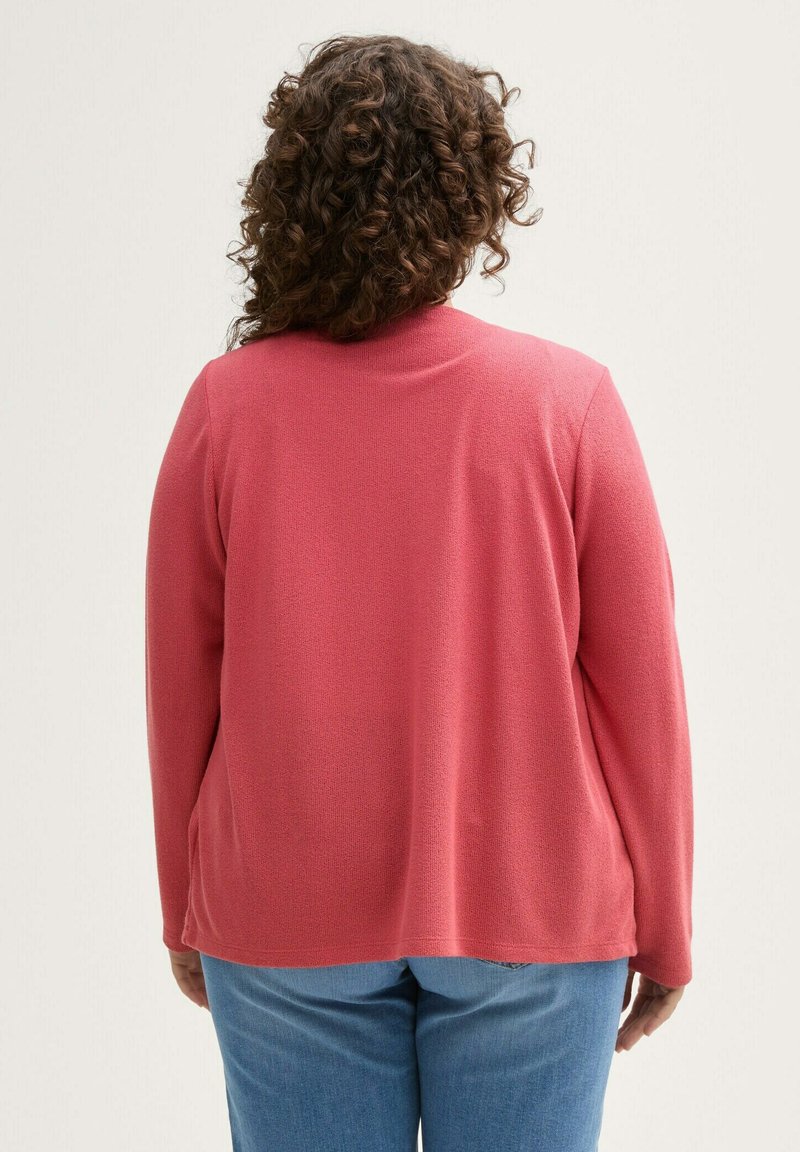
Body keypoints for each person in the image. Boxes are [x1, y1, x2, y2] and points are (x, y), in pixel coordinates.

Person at [144, 33, 694, 1152]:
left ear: (290, 195)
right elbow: (644, 694)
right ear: (475, 199)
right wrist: (668, 925)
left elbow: (177, 683)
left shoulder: (226, 408)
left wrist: (186, 901)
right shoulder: (567, 402)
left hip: (283, 909)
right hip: (534, 911)